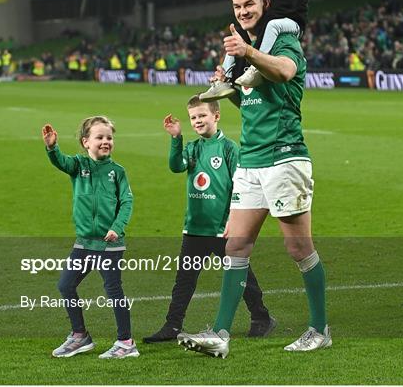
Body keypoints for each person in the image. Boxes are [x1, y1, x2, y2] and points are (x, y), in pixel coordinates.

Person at [178, 0, 330, 358]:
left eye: (249, 5)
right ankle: (221, 332)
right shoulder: (243, 51)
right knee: (236, 244)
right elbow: (251, 102)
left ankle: (319, 328)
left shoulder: (281, 41)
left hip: (284, 156)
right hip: (251, 160)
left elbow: (283, 72)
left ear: (265, 4)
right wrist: (225, 86)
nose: (243, 12)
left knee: (299, 248)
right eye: (238, 7)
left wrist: (247, 51)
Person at [143, 96, 275, 343]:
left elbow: (241, 186)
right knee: (184, 280)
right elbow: (176, 166)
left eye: (202, 115)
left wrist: (232, 219)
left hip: (222, 228)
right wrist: (175, 138)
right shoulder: (192, 148)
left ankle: (261, 317)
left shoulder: (229, 149)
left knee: (241, 276)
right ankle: (172, 326)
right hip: (194, 227)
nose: (197, 121)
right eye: (193, 117)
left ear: (216, 116)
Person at [42, 116, 138, 359]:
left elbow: (127, 202)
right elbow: (61, 162)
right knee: (66, 284)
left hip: (109, 244)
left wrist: (117, 226)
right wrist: (52, 147)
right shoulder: (78, 166)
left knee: (113, 290)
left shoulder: (118, 172)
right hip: (84, 243)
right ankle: (79, 335)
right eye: (99, 137)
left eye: (109, 137)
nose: (105, 141)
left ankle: (126, 342)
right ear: (86, 142)